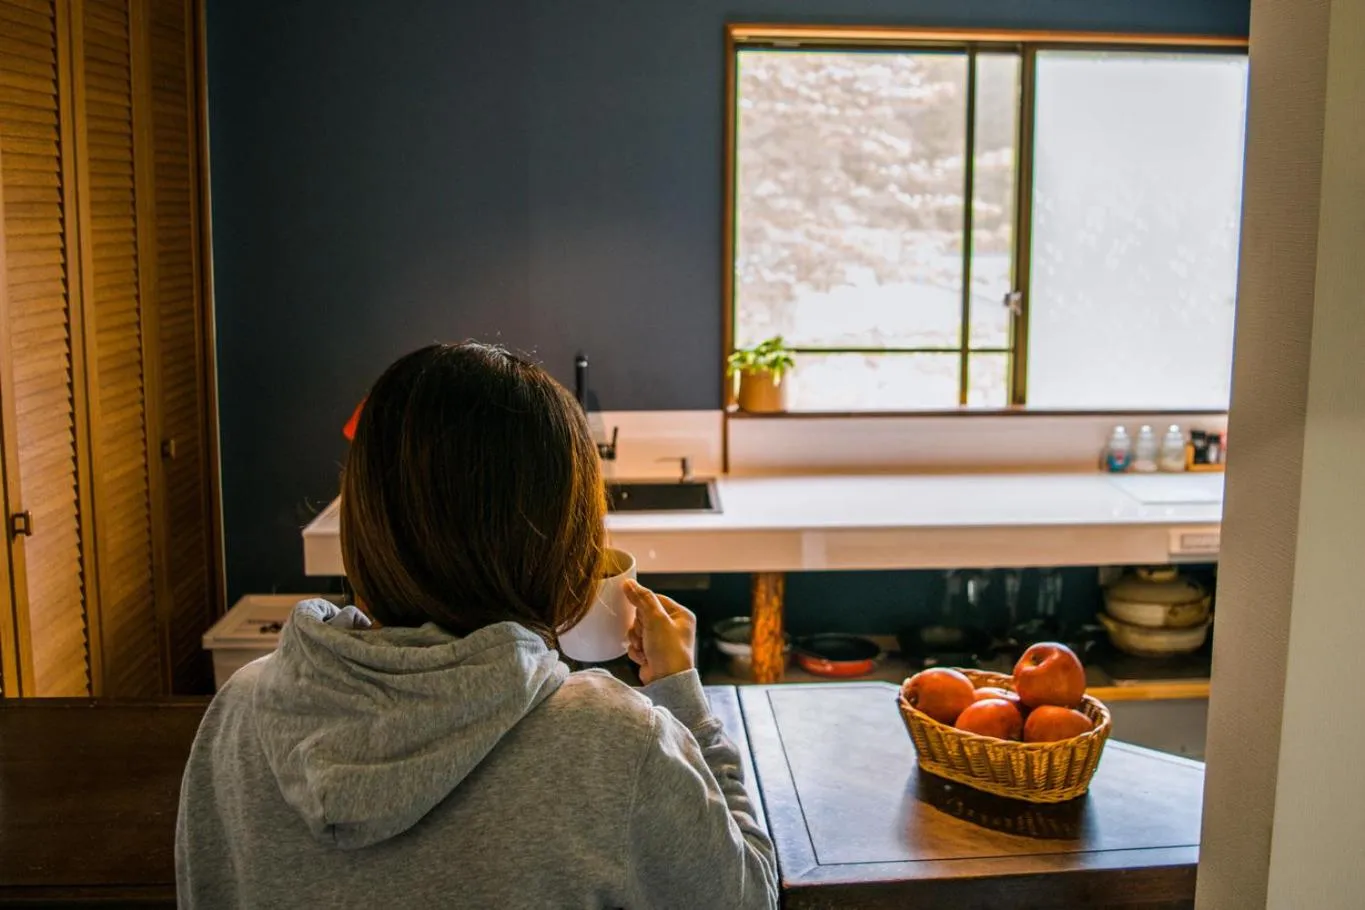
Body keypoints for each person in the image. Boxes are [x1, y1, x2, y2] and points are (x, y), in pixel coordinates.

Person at [175, 342, 778, 909]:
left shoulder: (239, 710)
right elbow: (748, 894)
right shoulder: (616, 741)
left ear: (365, 518)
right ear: (558, 540)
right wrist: (682, 700)